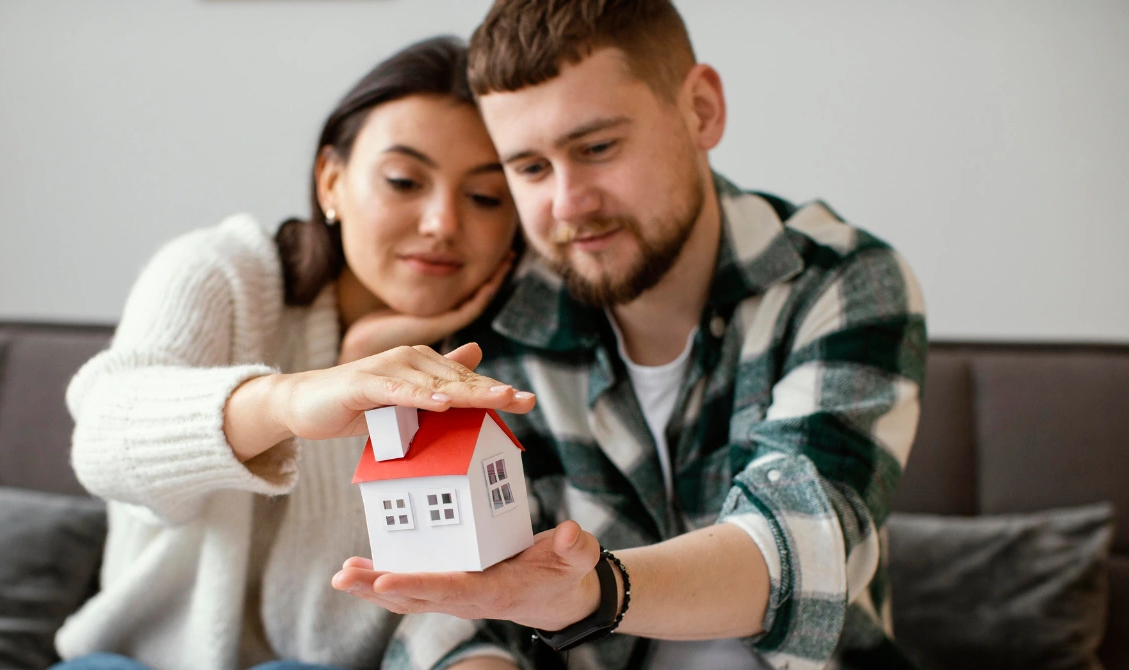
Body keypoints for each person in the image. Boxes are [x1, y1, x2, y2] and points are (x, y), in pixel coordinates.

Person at [333, 2, 929, 669]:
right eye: (529, 168)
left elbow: (804, 544)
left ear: (700, 110)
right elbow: (468, 607)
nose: (567, 204)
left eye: (596, 149)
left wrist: (593, 591)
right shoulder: (499, 322)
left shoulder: (839, 280)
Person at [52, 36, 537, 670]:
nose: (442, 222)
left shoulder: (510, 363)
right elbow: (103, 438)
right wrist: (293, 398)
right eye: (403, 181)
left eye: (484, 197)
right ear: (331, 181)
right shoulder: (222, 275)